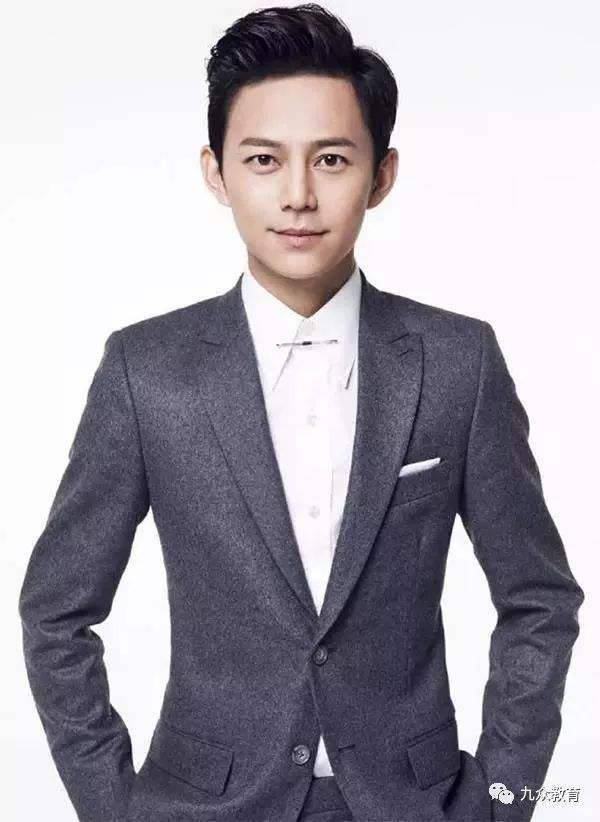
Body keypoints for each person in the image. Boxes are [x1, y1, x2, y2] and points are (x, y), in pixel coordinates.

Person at [19, 4, 584, 821]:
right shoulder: (147, 371)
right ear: (216, 173)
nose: (297, 195)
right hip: (204, 805)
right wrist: (114, 810)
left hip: (413, 803)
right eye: (262, 159)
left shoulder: (459, 362)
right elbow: (56, 612)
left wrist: (501, 803)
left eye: (331, 159)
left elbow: (540, 600)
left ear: (381, 175)